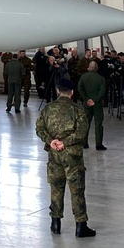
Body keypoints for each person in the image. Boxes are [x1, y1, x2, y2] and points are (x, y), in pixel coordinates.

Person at [35, 78, 96, 238]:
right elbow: (82, 133)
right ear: (72, 92)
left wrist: (52, 141)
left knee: (56, 188)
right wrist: (65, 142)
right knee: (77, 190)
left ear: (57, 91)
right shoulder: (77, 109)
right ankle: (80, 226)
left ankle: (55, 224)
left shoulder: (48, 108)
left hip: (54, 155)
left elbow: (39, 128)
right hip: (73, 156)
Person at [77, 61, 107, 150]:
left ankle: (84, 143)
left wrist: (86, 99)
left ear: (88, 68)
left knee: (86, 123)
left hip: (87, 104)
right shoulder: (101, 78)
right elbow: (102, 91)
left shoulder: (83, 77)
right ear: (97, 68)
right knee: (98, 124)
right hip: (97, 104)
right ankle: (98, 144)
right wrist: (95, 100)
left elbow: (80, 88)